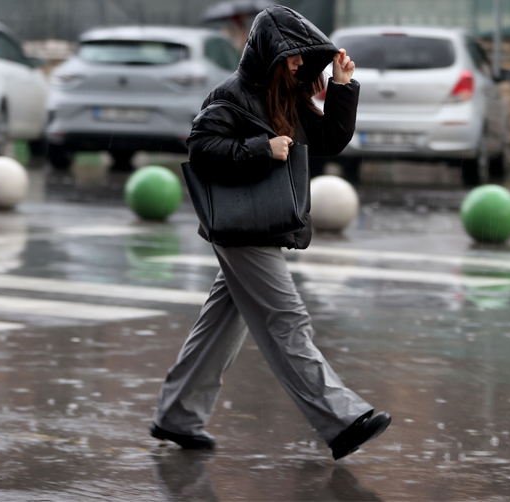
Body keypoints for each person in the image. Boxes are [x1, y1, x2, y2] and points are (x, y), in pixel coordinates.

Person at [150, 5, 390, 461]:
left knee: (221, 326)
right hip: (242, 225)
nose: (300, 64)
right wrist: (261, 148)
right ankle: (340, 419)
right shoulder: (233, 94)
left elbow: (327, 141)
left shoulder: (287, 96)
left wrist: (341, 86)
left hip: (259, 221)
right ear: (270, 53)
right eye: (293, 56)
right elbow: (201, 148)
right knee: (286, 319)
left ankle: (177, 415)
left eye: (303, 57)